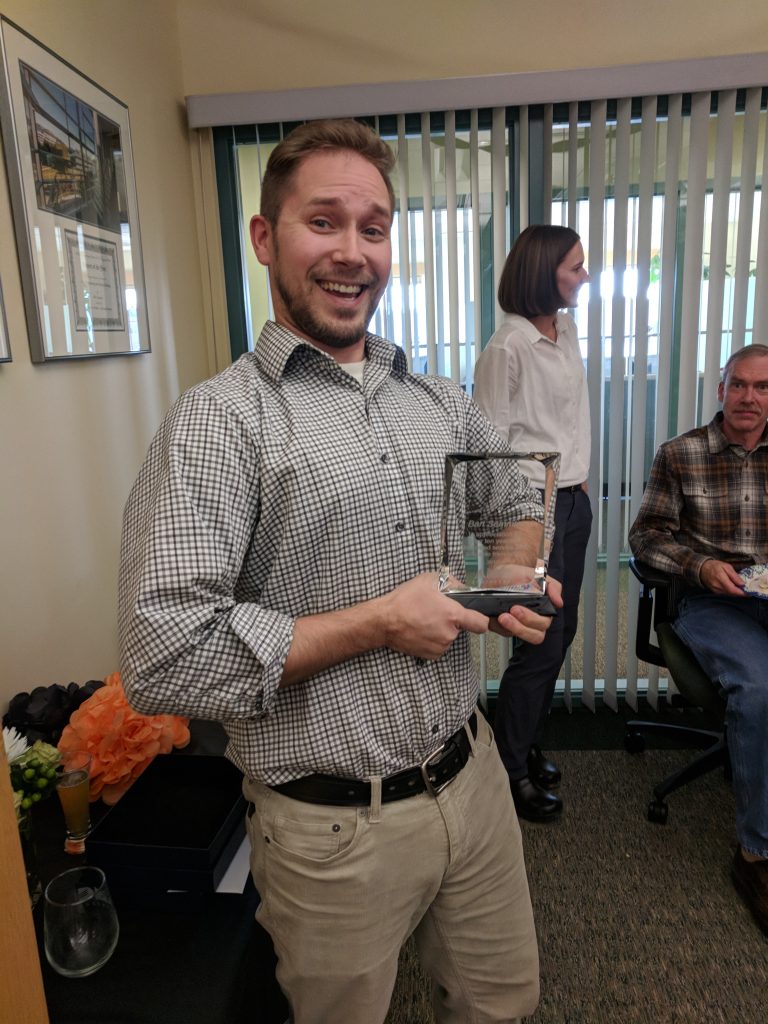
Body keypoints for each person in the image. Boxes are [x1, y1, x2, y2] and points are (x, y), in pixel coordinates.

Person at [118, 118, 563, 1023]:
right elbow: (161, 655)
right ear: (264, 238)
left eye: (374, 227)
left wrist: (510, 582)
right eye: (323, 222)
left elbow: (518, 492)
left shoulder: (436, 397)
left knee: (502, 1006)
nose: (352, 252)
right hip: (329, 830)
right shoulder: (218, 425)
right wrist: (380, 622)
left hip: (470, 783)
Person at [629, 343, 768, 936]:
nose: (749, 398)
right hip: (712, 602)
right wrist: (700, 567)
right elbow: (646, 539)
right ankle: (756, 853)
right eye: (739, 385)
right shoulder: (681, 454)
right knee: (759, 692)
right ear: (721, 390)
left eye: (762, 388)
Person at [472, 225, 592, 823]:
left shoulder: (563, 328)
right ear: (546, 272)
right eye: (575, 267)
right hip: (532, 511)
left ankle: (520, 738)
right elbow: (491, 444)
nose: (584, 276)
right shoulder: (508, 346)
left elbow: (566, 417)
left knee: (561, 634)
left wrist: (579, 480)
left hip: (573, 499)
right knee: (540, 639)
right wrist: (531, 515)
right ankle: (507, 769)